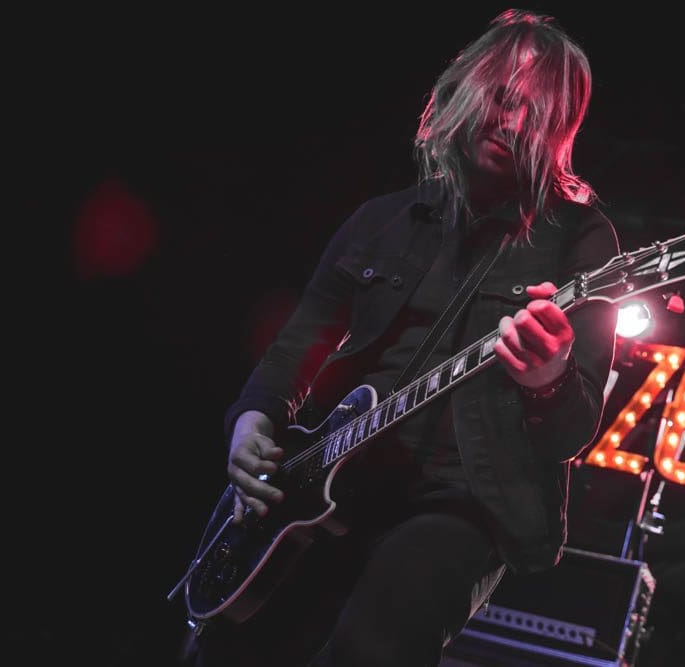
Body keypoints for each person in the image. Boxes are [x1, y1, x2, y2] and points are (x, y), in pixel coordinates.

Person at [189, 8, 621, 666]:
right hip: (328, 477)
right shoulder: (382, 220)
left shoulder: (580, 239)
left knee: (372, 649)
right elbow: (295, 347)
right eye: (503, 99)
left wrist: (547, 378)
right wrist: (252, 422)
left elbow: (572, 432)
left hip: (465, 502)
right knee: (228, 646)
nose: (513, 124)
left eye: (538, 116)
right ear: (462, 88)